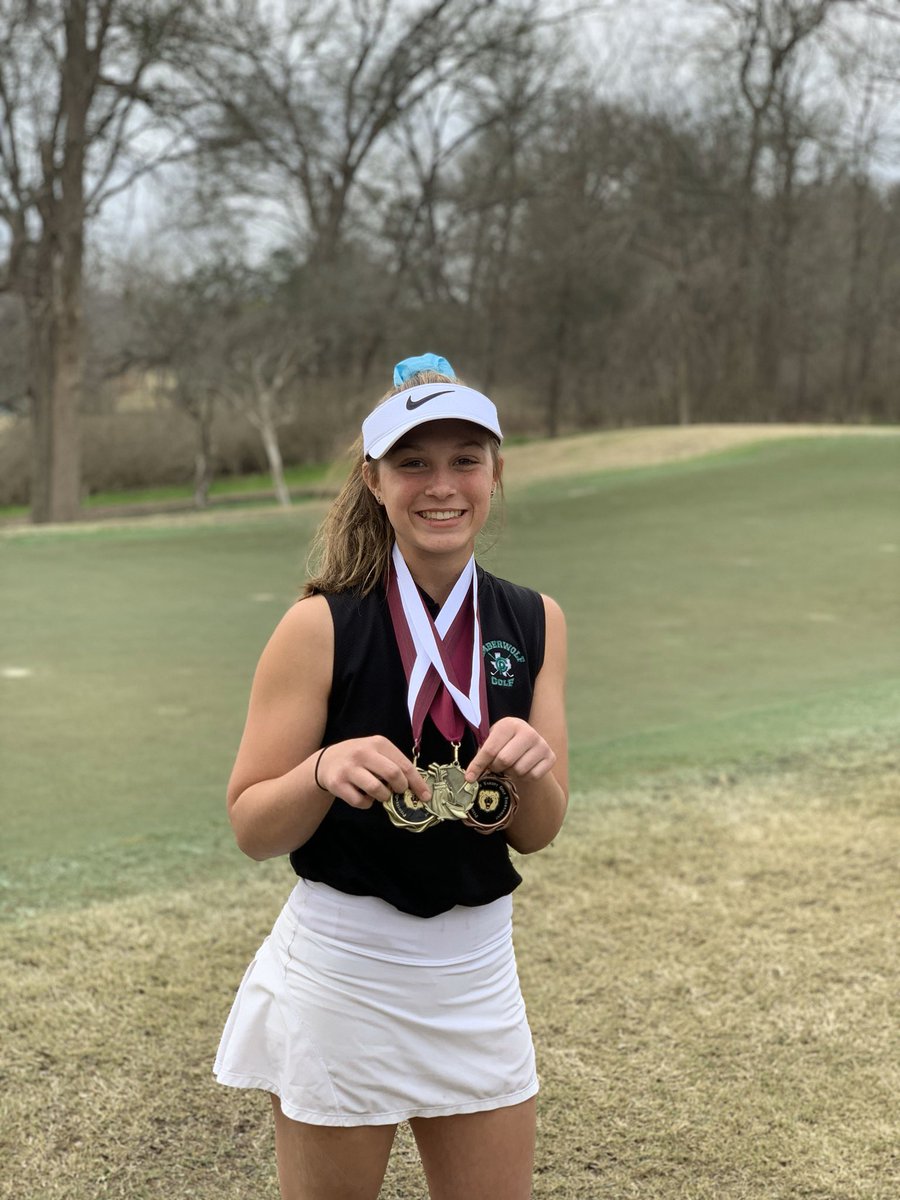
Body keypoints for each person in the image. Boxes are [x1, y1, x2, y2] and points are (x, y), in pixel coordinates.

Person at [214, 353, 569, 1200]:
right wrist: (321, 769)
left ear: (496, 472)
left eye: (463, 460)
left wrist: (532, 772)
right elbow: (252, 827)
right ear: (374, 479)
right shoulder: (319, 626)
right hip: (346, 974)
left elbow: (539, 830)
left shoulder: (535, 619)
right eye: (413, 462)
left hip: (478, 974)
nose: (440, 485)